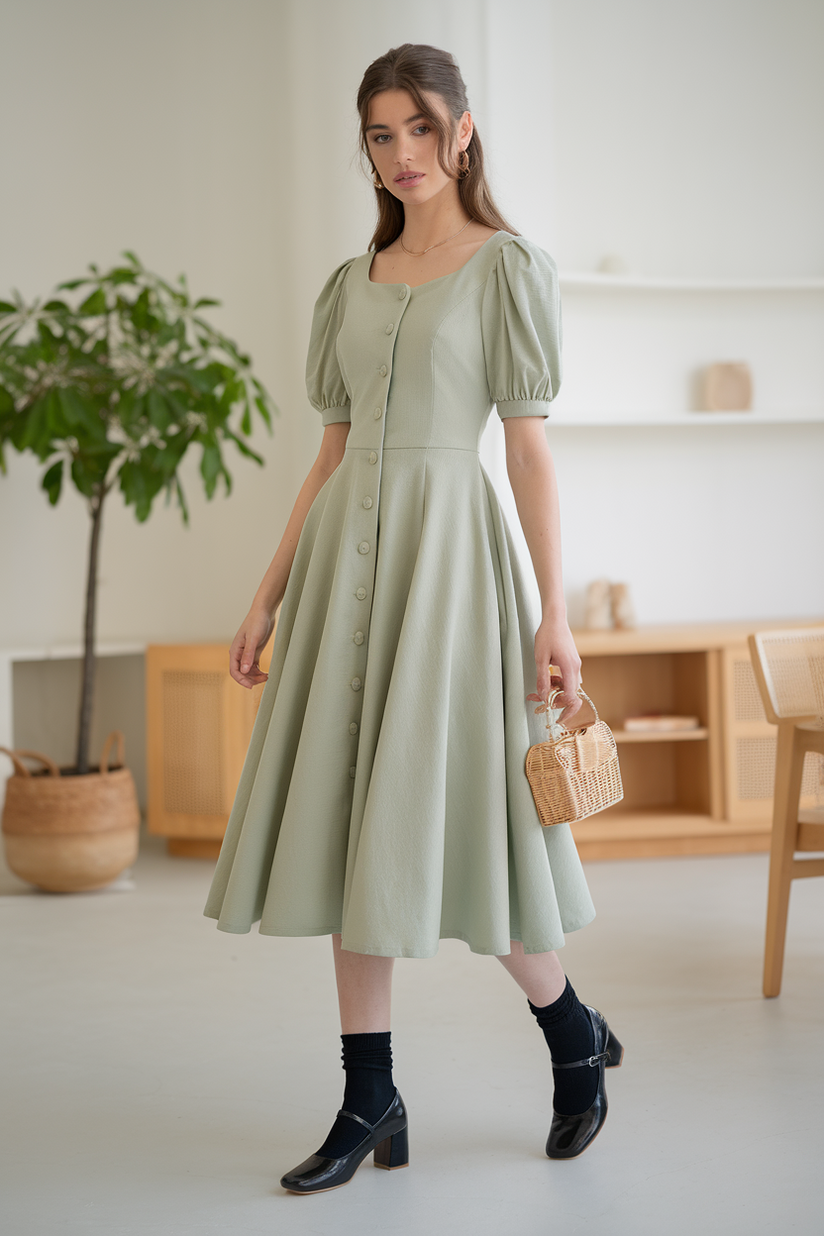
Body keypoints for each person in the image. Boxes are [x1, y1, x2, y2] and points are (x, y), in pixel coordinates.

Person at [204, 42, 622, 1194]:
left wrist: (554, 612)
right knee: (350, 829)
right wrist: (265, 592)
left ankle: (571, 1032)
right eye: (380, 136)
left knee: (472, 830)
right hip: (346, 571)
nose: (401, 157)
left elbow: (528, 450)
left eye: (420, 131)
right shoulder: (352, 281)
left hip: (452, 568)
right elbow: (326, 456)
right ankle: (367, 1093)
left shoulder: (505, 268)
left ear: (463, 132)